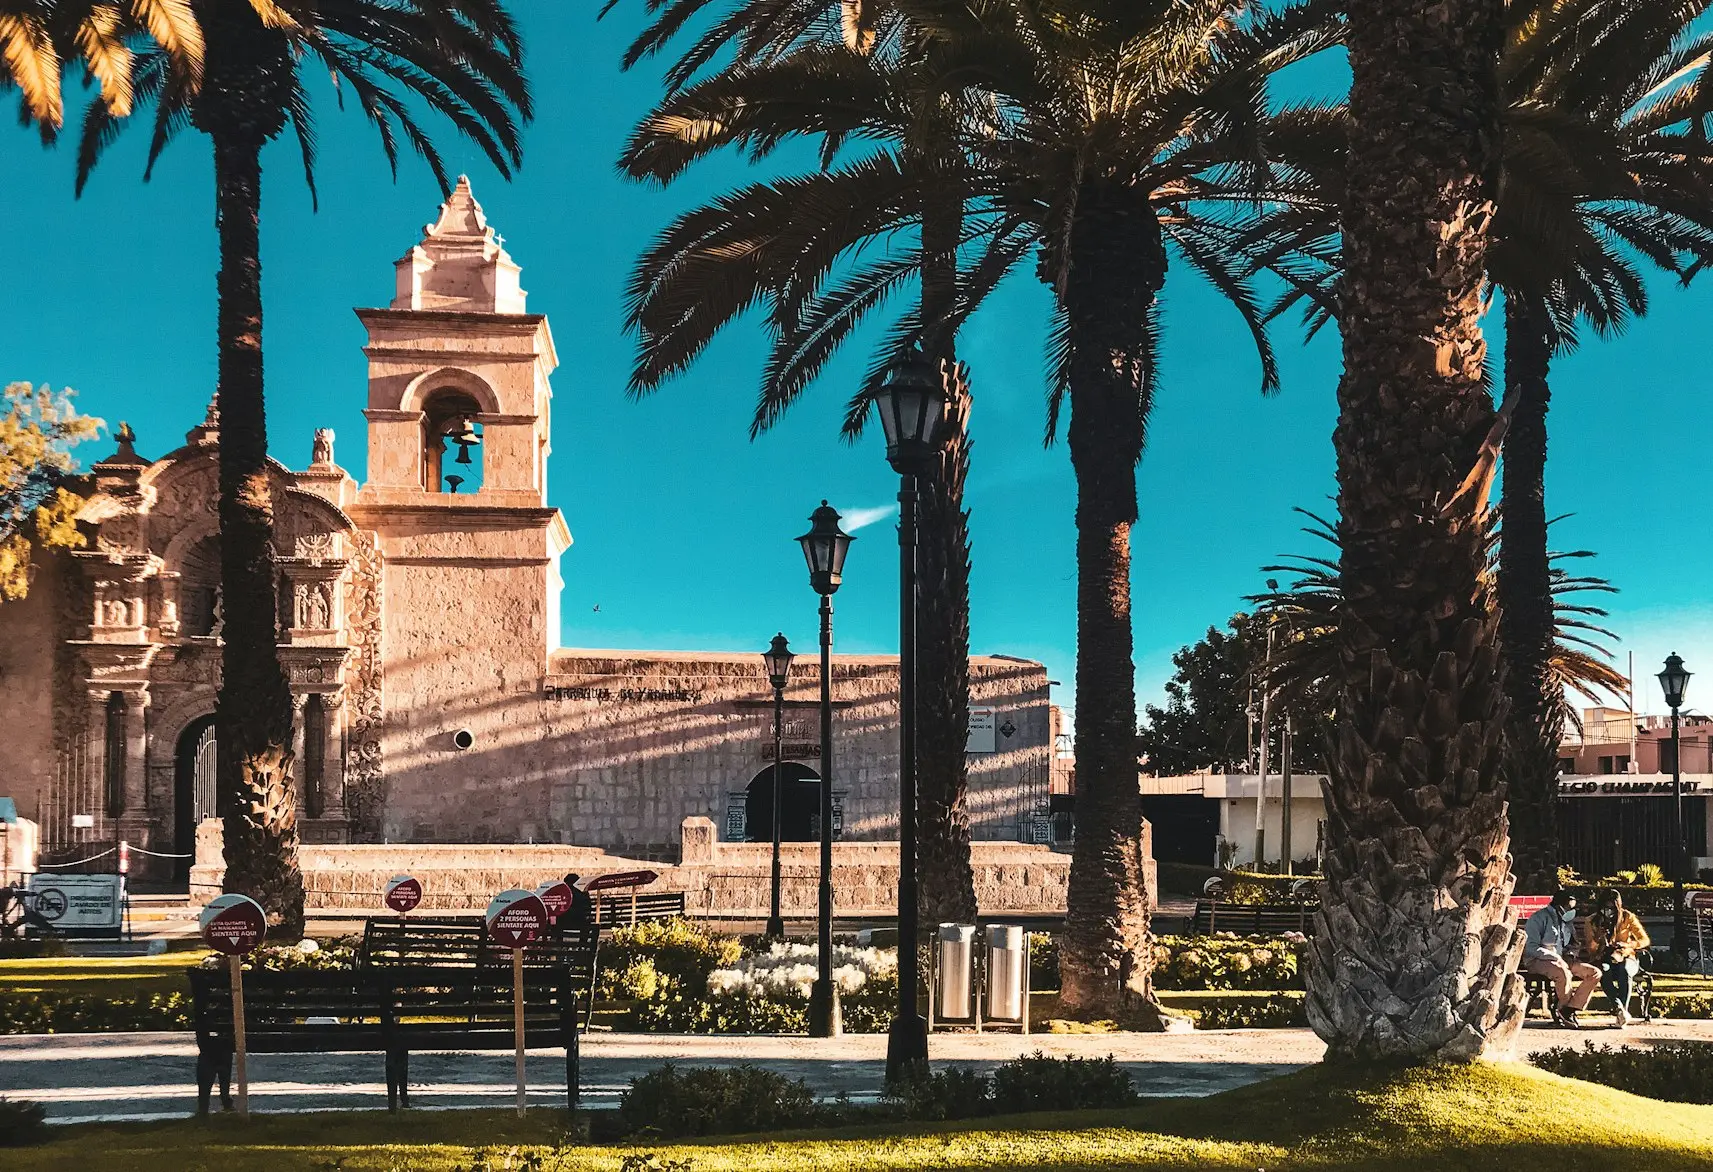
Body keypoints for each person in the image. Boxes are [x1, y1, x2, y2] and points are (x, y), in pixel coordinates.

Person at [1523, 891, 1599, 1028]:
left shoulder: (1567, 921)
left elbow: (1575, 943)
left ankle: (1569, 1009)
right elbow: (1530, 947)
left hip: (1564, 959)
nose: (1572, 911)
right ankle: (1564, 1012)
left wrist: (1570, 954)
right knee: (1562, 972)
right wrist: (1554, 956)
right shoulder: (1538, 918)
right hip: (1537, 961)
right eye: (1570, 908)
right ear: (1559, 906)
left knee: (1594, 973)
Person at [1582, 890, 1651, 1027]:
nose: (1609, 912)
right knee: (1603, 970)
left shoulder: (1627, 917)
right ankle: (1619, 1007)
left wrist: (1627, 944)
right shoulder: (1592, 921)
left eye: (1612, 908)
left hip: (1626, 956)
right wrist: (1598, 937)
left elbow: (1644, 940)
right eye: (1606, 908)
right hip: (1604, 958)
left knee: (1624, 970)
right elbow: (1591, 949)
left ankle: (1622, 1012)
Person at [564, 872, 594, 949]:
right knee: (586, 924)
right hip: (581, 920)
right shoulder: (583, 891)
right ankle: (582, 944)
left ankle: (558, 943)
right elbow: (588, 906)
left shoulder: (566, 891)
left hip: (566, 920)